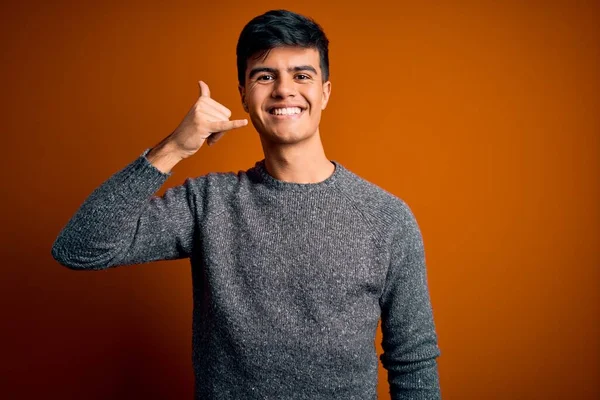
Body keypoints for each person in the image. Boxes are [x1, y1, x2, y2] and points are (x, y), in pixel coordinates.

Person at [51, 9, 441, 400]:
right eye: (265, 76)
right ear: (243, 93)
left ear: (325, 91)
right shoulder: (207, 203)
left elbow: (413, 360)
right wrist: (172, 149)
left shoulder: (386, 217)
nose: (284, 90)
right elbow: (80, 248)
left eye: (301, 75)